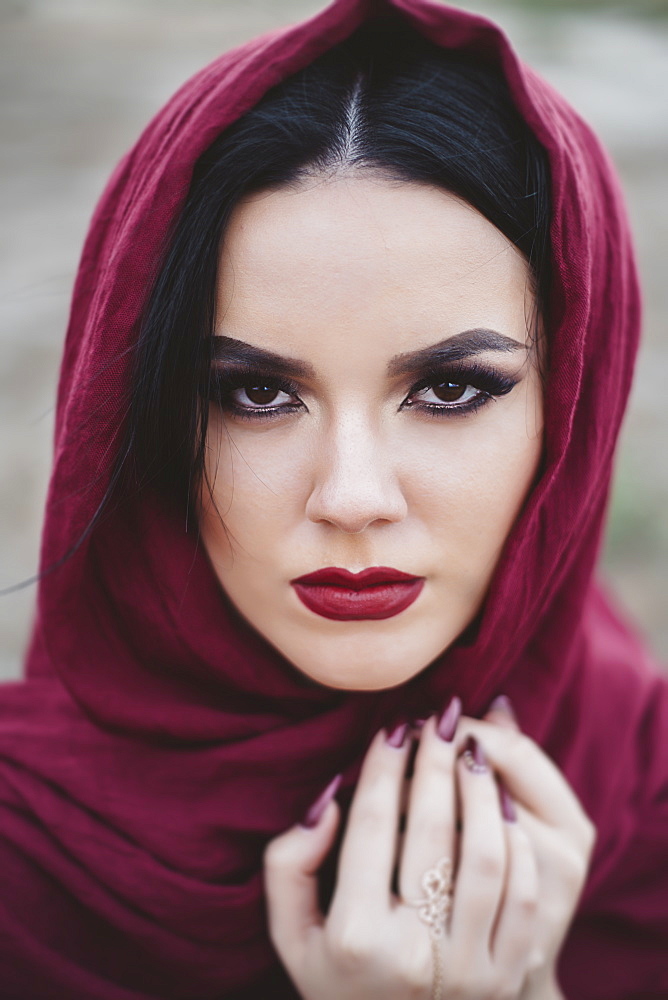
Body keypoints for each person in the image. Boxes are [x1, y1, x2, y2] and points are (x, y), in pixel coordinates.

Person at [0, 0, 666, 997]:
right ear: (138, 426)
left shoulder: (639, 785)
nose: (350, 497)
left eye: (448, 389)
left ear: (570, 405)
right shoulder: (24, 875)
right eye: (255, 393)